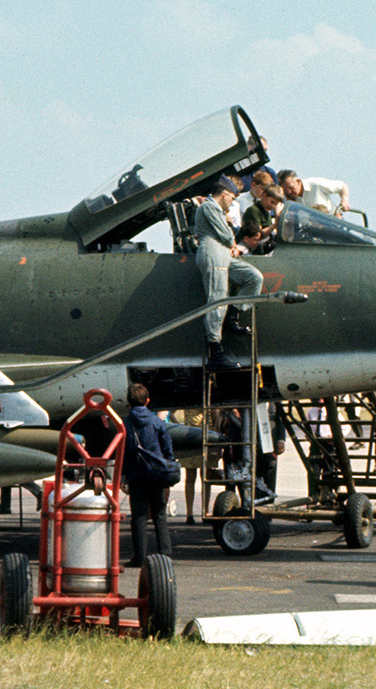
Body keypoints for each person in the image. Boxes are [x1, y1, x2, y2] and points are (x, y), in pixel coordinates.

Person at [194, 180, 263, 369]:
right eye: (231, 198)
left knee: (253, 277)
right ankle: (215, 353)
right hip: (214, 252)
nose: (231, 203)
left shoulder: (215, 209)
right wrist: (231, 234)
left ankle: (232, 316)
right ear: (224, 194)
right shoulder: (209, 207)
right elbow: (225, 234)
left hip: (223, 253)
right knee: (217, 299)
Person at [122, 384, 177, 566]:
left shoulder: (126, 423)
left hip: (136, 476)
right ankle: (165, 554)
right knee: (160, 515)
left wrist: (123, 476)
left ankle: (139, 557)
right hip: (157, 474)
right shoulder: (157, 422)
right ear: (148, 401)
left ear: (129, 402)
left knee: (139, 516)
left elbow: (123, 452)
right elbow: (168, 450)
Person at [275, 169, 351, 218]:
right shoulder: (290, 198)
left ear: (298, 182)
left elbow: (342, 186)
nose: (289, 192)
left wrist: (344, 201)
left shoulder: (315, 184)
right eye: (285, 190)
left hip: (332, 222)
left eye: (291, 188)